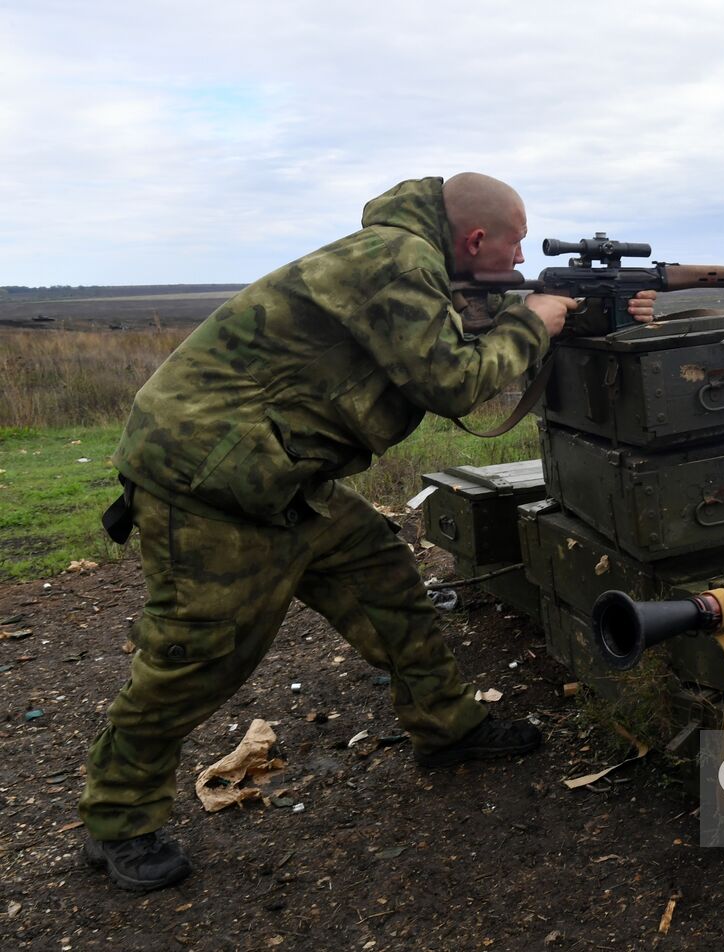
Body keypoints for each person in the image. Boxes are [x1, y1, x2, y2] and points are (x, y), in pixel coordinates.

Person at [79, 173, 656, 892]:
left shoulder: (413, 266)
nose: (518, 263)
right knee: (196, 657)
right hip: (211, 483)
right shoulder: (397, 260)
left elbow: (462, 332)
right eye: (514, 247)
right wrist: (533, 322)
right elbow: (455, 380)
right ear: (475, 238)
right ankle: (117, 820)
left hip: (281, 475)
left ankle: (448, 728)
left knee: (387, 584)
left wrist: (593, 311)